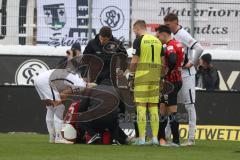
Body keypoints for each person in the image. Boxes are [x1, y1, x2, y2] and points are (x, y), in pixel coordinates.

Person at [163, 13, 204, 146]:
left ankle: (191, 138)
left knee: (189, 105)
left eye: (168, 24)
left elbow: (199, 48)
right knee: (172, 105)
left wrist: (192, 62)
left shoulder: (183, 34)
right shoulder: (170, 36)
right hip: (176, 75)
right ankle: (167, 135)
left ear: (175, 22)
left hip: (187, 75)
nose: (166, 27)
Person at [129, 20, 163, 145]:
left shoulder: (138, 40)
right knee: (153, 107)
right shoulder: (157, 40)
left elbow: (135, 60)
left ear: (138, 29)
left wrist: (131, 74)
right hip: (155, 76)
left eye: (134, 31)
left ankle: (142, 139)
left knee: (141, 106)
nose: (134, 34)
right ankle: (154, 138)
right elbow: (163, 61)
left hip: (142, 75)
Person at [155, 25, 184, 147]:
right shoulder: (178, 44)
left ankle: (174, 140)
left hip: (170, 83)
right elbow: (184, 59)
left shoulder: (170, 45)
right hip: (176, 81)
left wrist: (168, 71)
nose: (157, 38)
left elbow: (172, 58)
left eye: (158, 36)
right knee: (164, 108)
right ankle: (162, 138)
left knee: (168, 110)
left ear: (164, 35)